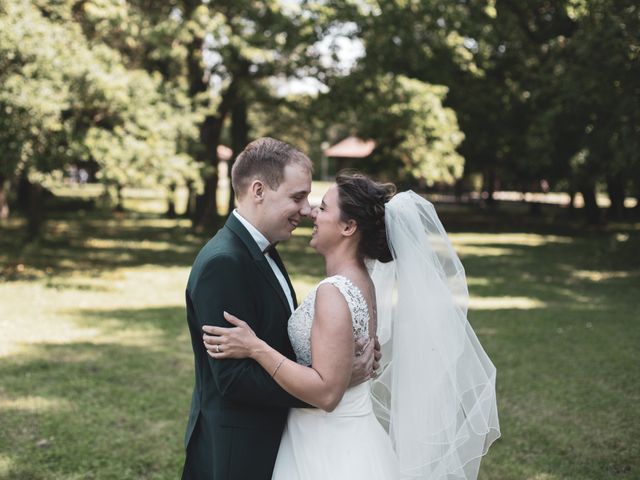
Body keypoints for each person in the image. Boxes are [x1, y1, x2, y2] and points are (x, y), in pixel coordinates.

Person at [203, 172, 501, 479]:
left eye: (324, 208)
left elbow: (326, 394)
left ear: (348, 226)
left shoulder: (335, 292)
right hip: (345, 432)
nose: (311, 214)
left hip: (328, 443)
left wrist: (256, 348)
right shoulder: (362, 282)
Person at [181, 139, 377, 480]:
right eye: (297, 197)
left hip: (282, 442)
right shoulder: (224, 262)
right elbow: (233, 379)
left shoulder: (264, 249)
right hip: (238, 450)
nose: (306, 210)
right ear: (259, 190)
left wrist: (336, 363)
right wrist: (331, 386)